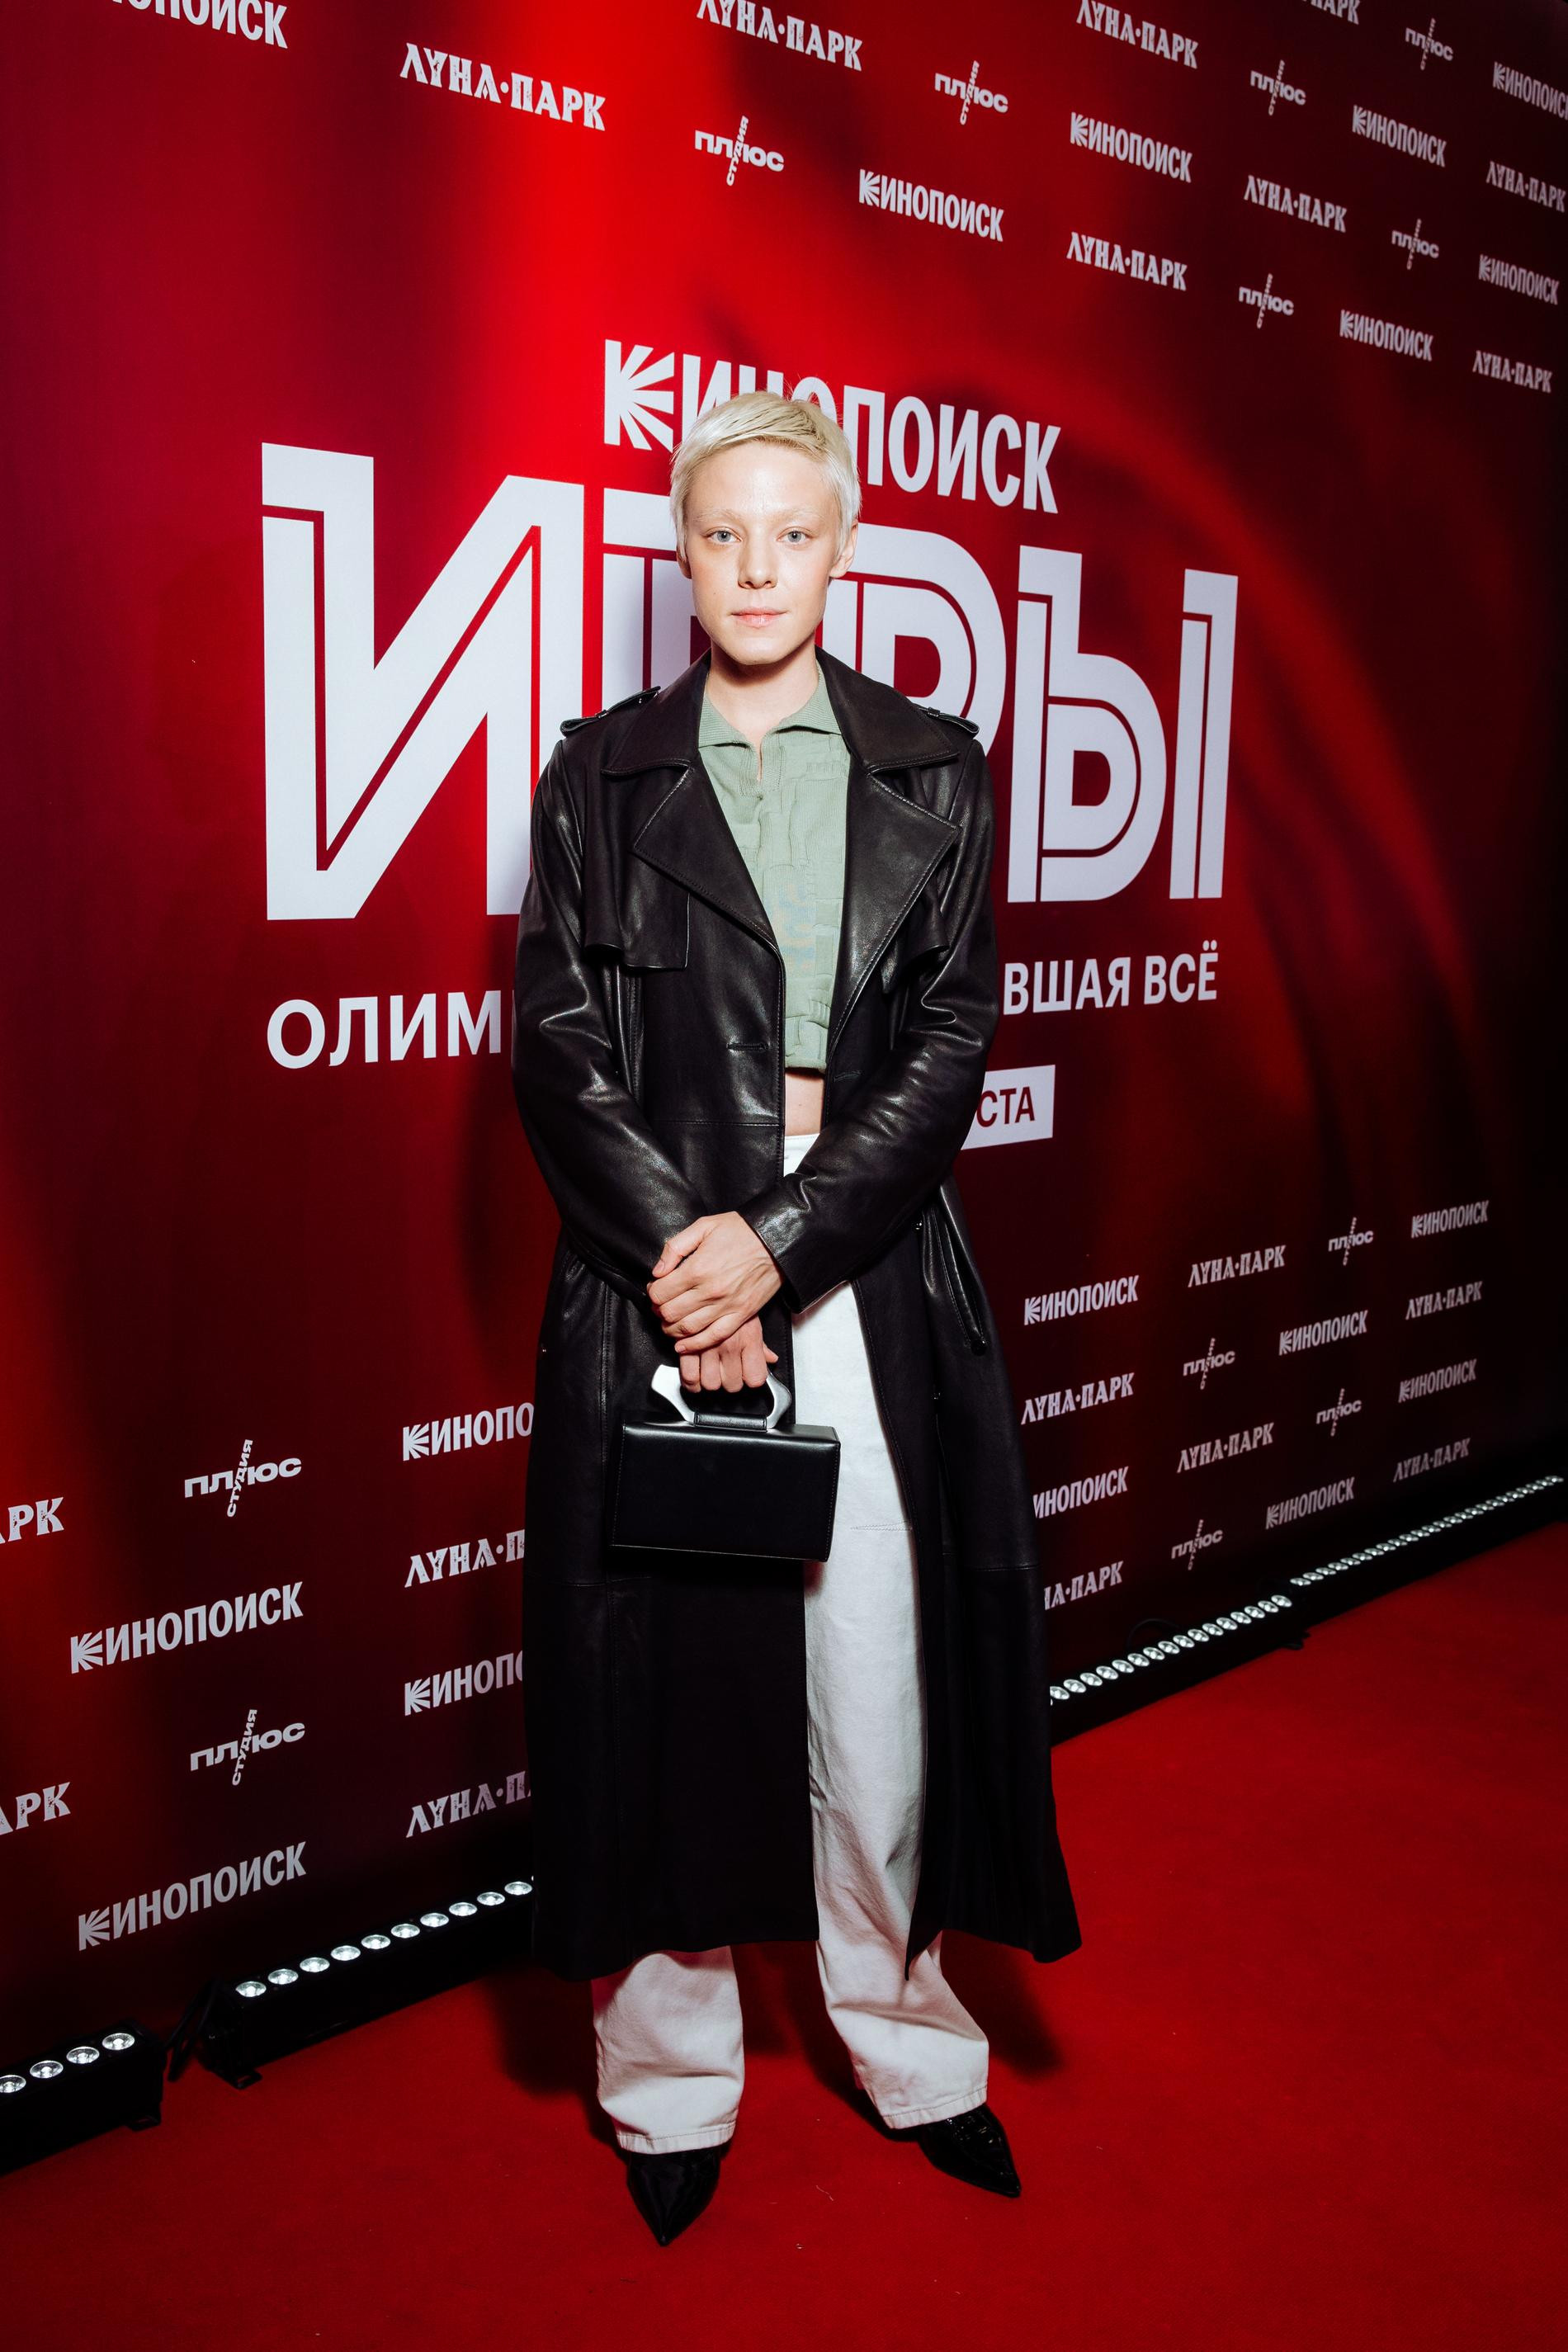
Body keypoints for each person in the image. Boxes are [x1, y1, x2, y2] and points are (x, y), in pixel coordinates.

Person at [510, 391, 1079, 2246]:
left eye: (793, 533)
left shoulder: (937, 767)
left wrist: (777, 1245)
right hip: (656, 1279)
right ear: (682, 557)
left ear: (842, 550)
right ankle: (669, 2083)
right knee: (665, 1695)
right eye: (720, 534)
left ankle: (909, 2044)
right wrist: (694, 1258)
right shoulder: (597, 773)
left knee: (879, 1691)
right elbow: (556, 1048)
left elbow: (947, 1048)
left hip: (859, 1270)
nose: (756, 568)